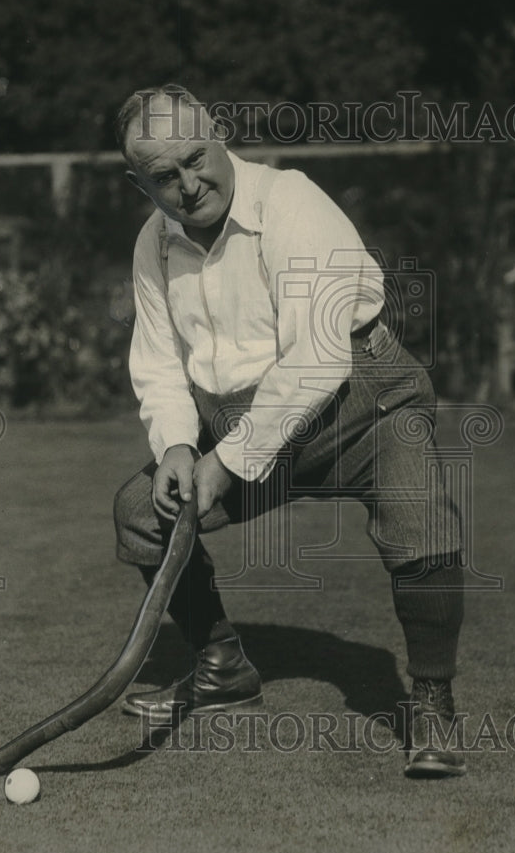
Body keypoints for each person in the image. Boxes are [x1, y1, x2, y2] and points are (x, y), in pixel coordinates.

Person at [112, 83, 466, 778]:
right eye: (164, 175)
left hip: (365, 403)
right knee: (138, 511)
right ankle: (220, 668)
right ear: (139, 183)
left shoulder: (292, 204)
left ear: (218, 134)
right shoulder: (152, 244)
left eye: (195, 157)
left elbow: (316, 359)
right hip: (240, 417)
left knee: (418, 523)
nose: (188, 184)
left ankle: (431, 699)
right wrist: (180, 447)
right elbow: (156, 361)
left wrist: (228, 461)